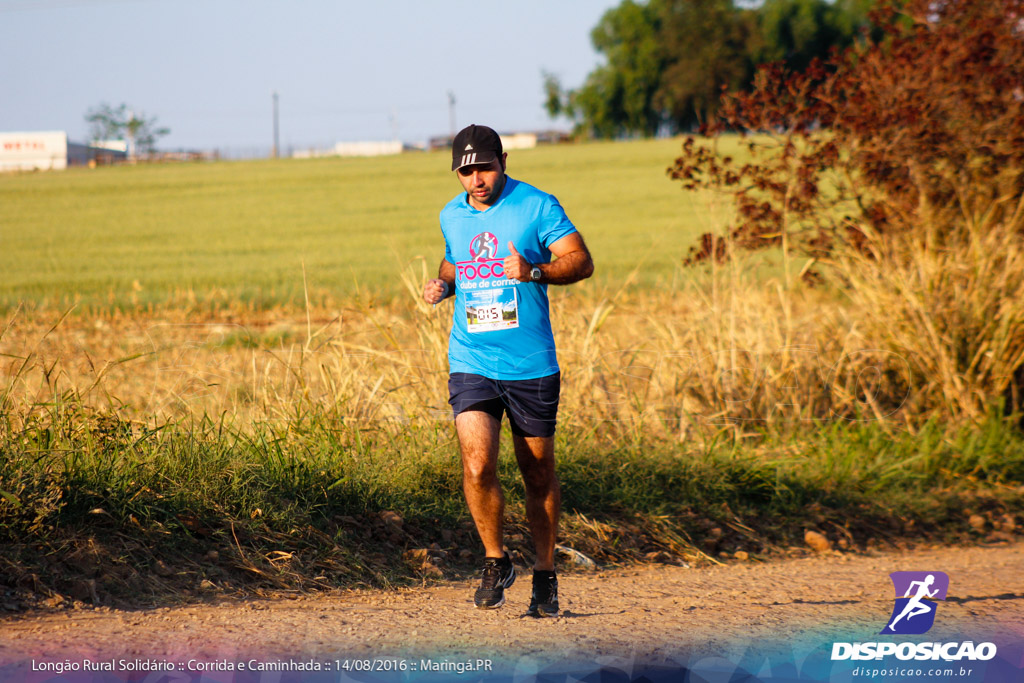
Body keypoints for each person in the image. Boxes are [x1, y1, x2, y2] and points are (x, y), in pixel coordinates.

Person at [422, 124, 594, 615]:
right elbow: (455, 261)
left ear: (503, 161)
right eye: (466, 170)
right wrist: (443, 284)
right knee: (478, 464)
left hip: (531, 363)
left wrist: (534, 271)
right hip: (471, 358)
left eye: (485, 167)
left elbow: (581, 261)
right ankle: (496, 560)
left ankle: (545, 574)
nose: (477, 179)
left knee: (537, 473)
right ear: (456, 172)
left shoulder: (537, 205)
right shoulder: (450, 216)